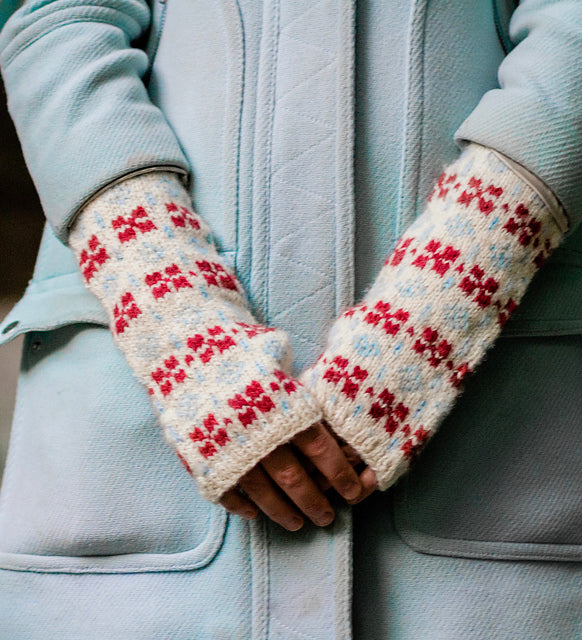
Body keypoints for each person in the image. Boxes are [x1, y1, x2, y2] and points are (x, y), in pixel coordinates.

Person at [0, 0, 580, 637]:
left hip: (494, 446)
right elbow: (58, 22)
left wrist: (454, 283)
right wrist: (169, 300)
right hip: (137, 448)